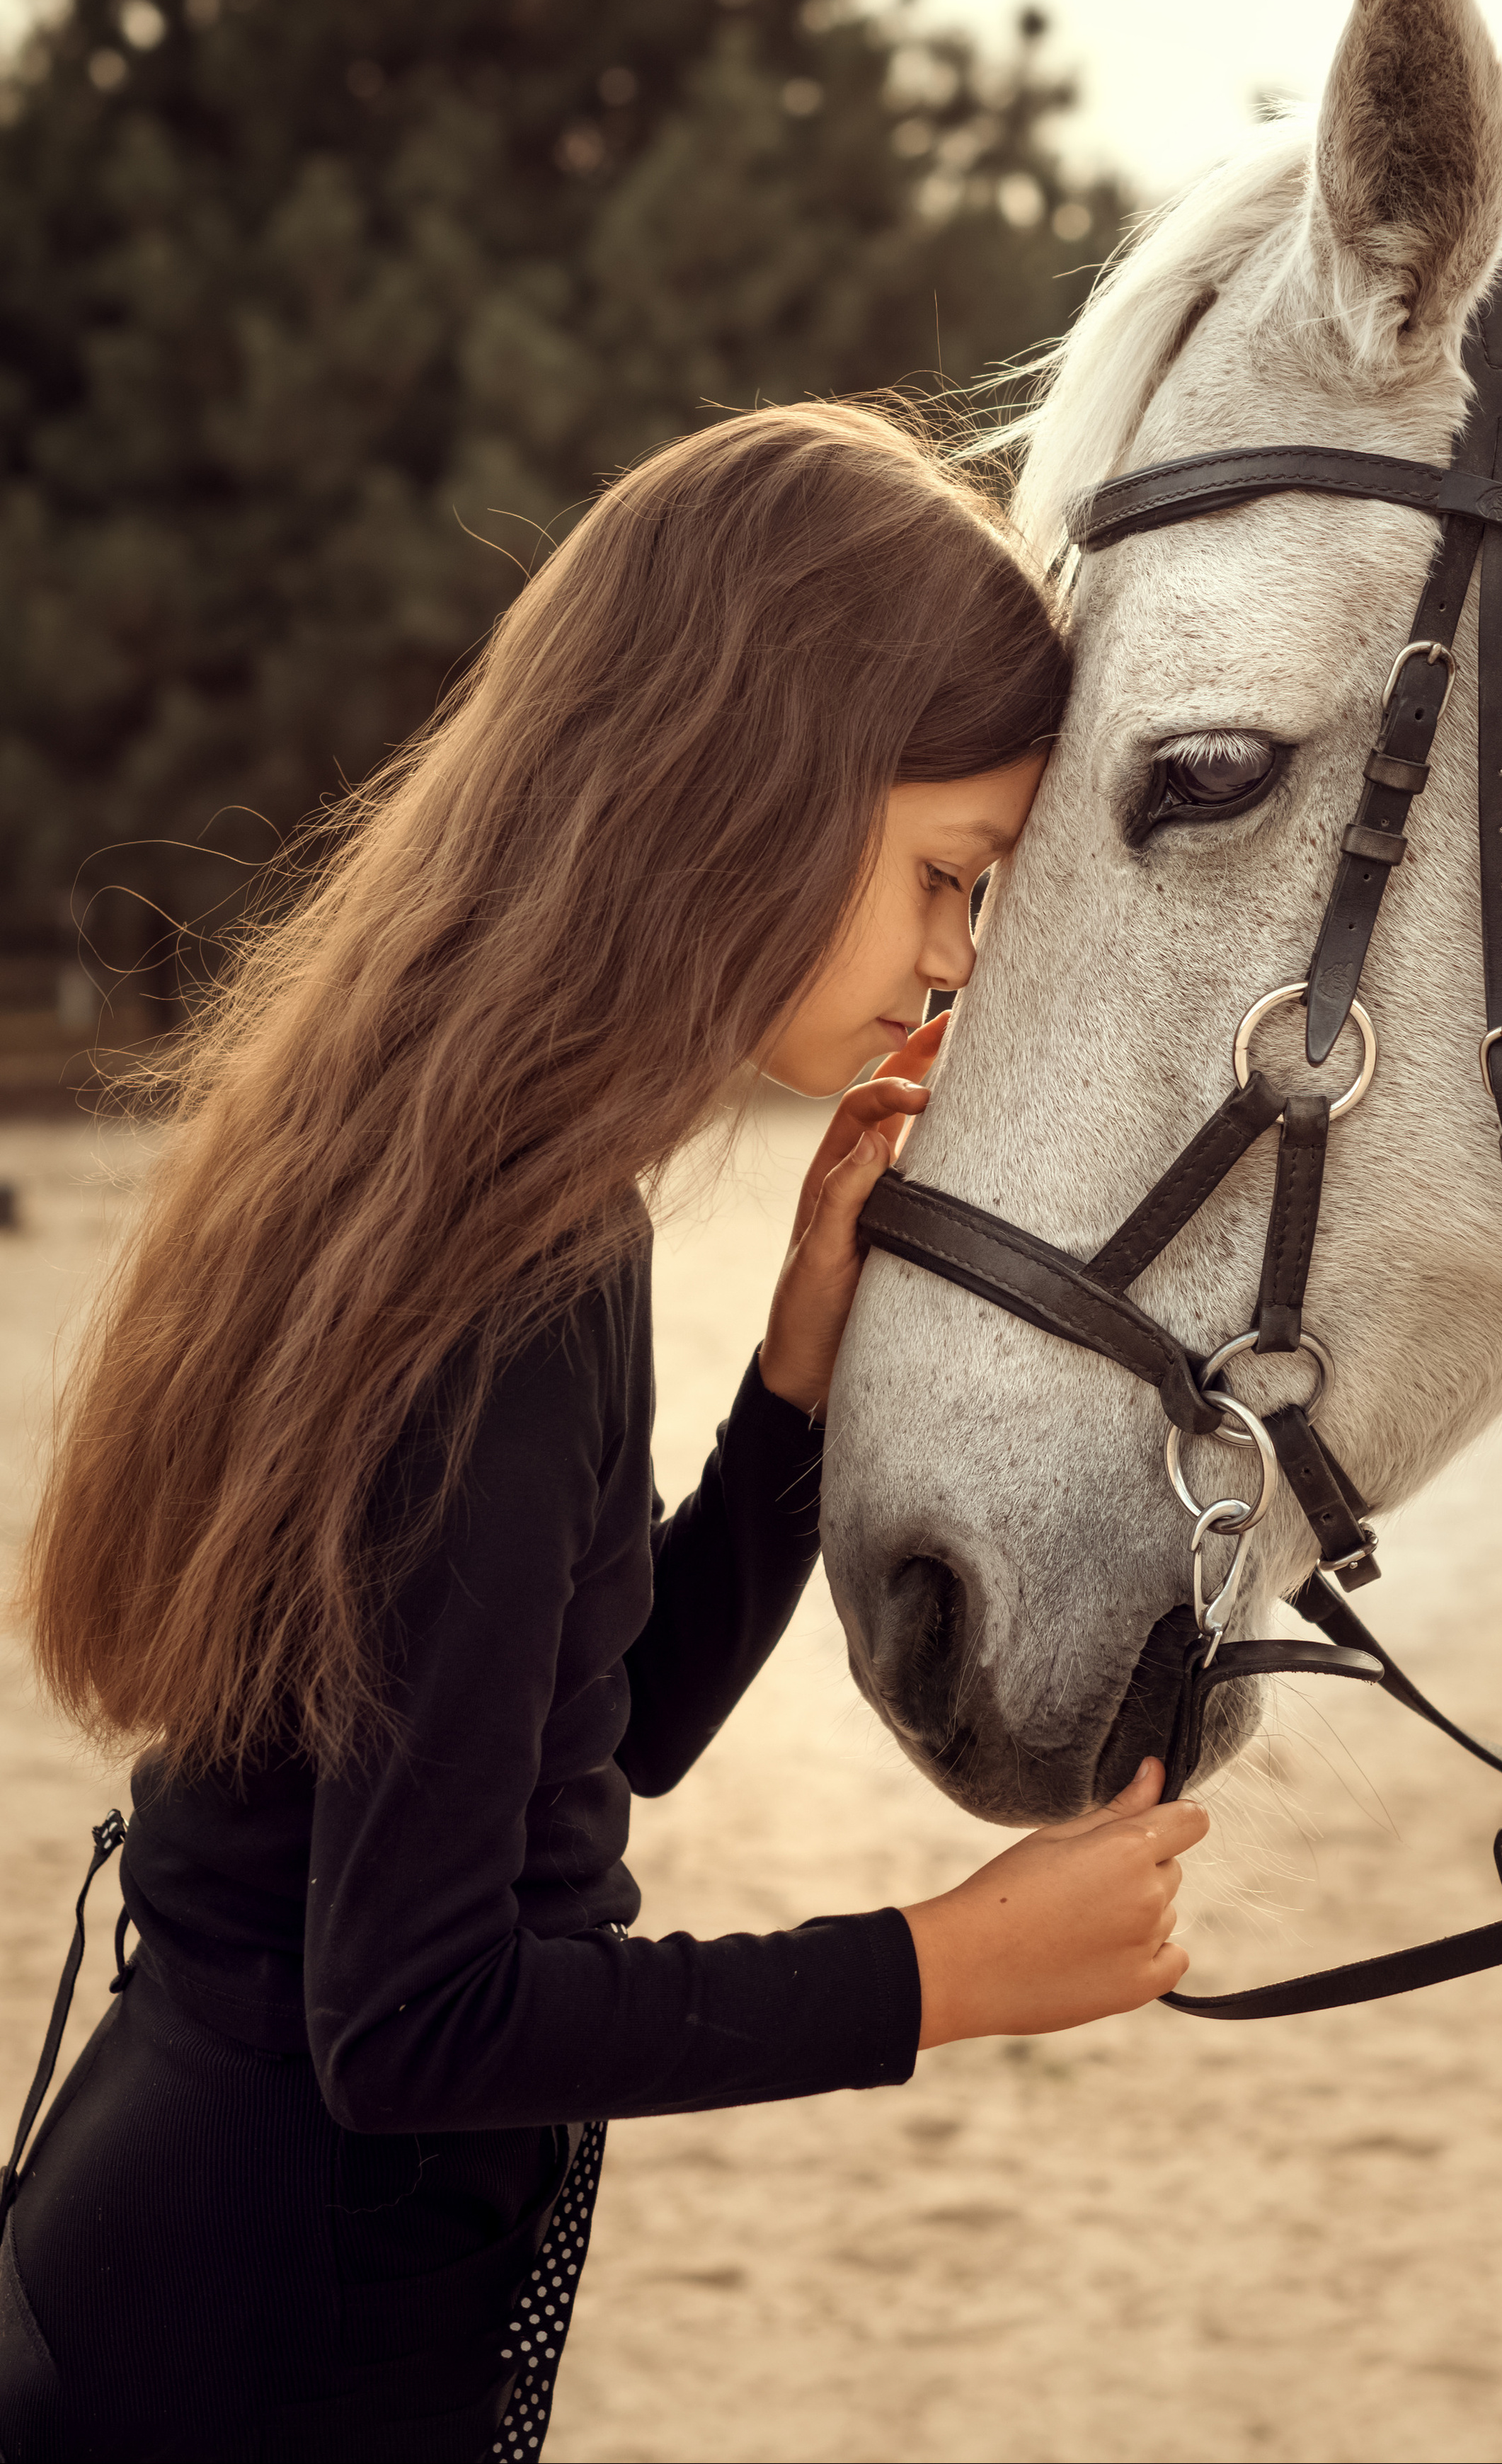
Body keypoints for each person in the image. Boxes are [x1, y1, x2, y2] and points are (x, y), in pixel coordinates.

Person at [0, 403, 1205, 2464]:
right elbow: (419, 2018)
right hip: (258, 2344)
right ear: (753, 780)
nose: (948, 968)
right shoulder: (520, 1266)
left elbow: (585, 1749)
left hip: (163, 2257)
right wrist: (938, 1974)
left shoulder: (445, 1158)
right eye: (947, 876)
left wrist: (792, 1395)